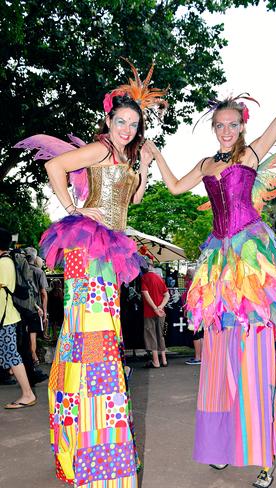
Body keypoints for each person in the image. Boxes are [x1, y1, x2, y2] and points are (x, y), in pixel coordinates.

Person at [144, 48, 276, 487]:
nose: (227, 131)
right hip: (218, 267)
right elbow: (176, 186)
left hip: (250, 265)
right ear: (213, 128)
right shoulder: (206, 164)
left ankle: (264, 455)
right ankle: (222, 446)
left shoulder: (250, 157)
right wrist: (153, 153)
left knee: (255, 360)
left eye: (234, 124)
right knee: (219, 359)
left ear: (243, 125)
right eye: (220, 125)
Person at [15, 62, 167, 487]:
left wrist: (148, 162)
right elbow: (55, 168)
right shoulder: (101, 149)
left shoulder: (125, 156)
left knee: (98, 338)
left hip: (108, 250)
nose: (127, 128)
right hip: (90, 245)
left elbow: (132, 196)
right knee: (91, 336)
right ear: (108, 120)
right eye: (121, 120)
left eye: (134, 124)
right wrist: (74, 209)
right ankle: (96, 444)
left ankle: (89, 433)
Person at [0, 227, 37, 409]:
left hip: (5, 319)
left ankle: (28, 394)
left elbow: (5, 288)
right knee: (10, 356)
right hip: (5, 318)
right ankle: (27, 393)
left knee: (13, 356)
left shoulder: (4, 262)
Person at [141, 258, 170, 368]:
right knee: (161, 335)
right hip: (161, 312)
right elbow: (167, 295)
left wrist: (154, 308)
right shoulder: (159, 278)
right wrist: (160, 307)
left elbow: (145, 293)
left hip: (149, 312)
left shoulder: (144, 278)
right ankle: (164, 360)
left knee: (151, 335)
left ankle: (156, 362)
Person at [24, 247, 48, 367]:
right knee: (32, 334)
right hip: (35, 309)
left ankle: (27, 358)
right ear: (35, 257)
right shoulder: (39, 272)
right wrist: (44, 311)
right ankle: (34, 356)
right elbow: (43, 293)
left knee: (22, 334)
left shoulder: (19, 270)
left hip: (20, 308)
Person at [182, 268, 203, 365]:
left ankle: (198, 357)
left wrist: (186, 309)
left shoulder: (191, 284)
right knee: (200, 333)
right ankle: (201, 356)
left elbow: (190, 299)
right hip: (199, 311)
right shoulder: (198, 282)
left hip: (193, 311)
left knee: (195, 334)